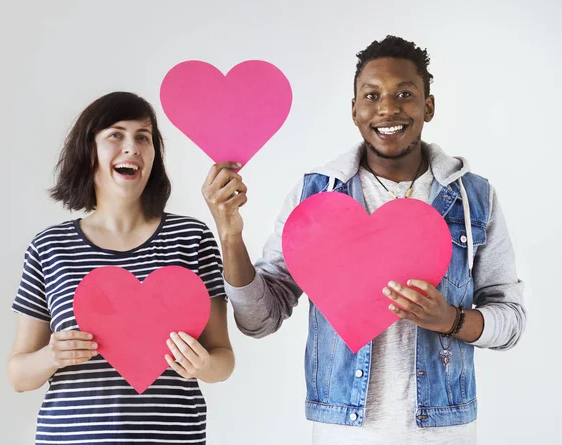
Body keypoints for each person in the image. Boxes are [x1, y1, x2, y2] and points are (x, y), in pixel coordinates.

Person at [202, 35, 526, 444]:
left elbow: (512, 319)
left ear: (428, 106)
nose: (387, 108)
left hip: (446, 430)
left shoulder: (474, 198)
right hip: (342, 431)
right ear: (354, 110)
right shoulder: (315, 197)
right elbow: (258, 319)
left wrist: (452, 321)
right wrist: (230, 234)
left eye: (404, 94)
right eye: (371, 95)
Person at [8, 92, 234, 445]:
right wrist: (52, 355)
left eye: (143, 137)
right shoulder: (49, 247)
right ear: (89, 151)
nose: (132, 147)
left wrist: (202, 366)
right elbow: (19, 375)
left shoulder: (192, 239)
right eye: (116, 134)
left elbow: (223, 359)